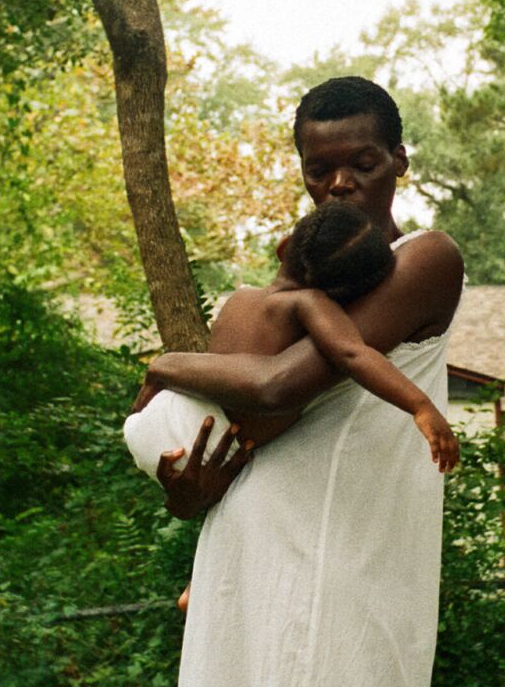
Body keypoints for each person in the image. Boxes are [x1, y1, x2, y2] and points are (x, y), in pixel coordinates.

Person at [132, 76, 465, 687]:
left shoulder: (426, 259)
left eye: (364, 161)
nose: (340, 182)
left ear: (400, 161)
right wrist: (188, 494)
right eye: (320, 169)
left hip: (342, 564)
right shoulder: (300, 280)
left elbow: (284, 386)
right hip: (247, 563)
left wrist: (164, 360)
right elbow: (240, 434)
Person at [123, 199, 460, 490]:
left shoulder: (238, 299)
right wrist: (420, 406)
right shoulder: (307, 303)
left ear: (284, 247)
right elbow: (352, 353)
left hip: (156, 418)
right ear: (345, 298)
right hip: (201, 444)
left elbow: (218, 366)